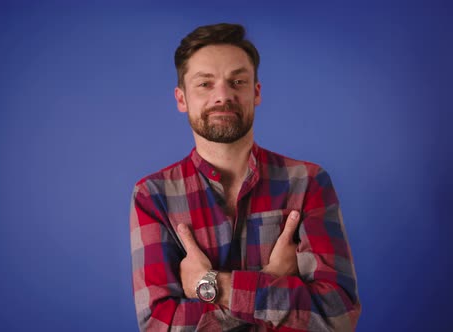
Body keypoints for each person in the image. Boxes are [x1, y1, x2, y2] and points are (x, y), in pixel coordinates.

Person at [129, 23, 361, 331]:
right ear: (181, 99)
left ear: (256, 92)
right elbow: (159, 326)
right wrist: (268, 285)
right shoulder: (152, 196)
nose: (223, 96)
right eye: (205, 84)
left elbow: (338, 316)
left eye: (237, 81)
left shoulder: (308, 182)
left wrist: (211, 286)